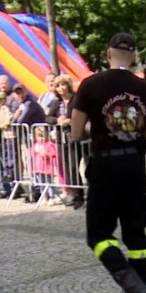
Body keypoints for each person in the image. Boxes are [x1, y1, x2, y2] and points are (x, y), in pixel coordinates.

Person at [70, 31, 146, 293]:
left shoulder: (91, 85)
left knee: (98, 235)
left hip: (105, 165)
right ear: (133, 56)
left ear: (108, 55)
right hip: (134, 163)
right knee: (135, 234)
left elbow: (75, 132)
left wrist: (98, 131)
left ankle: (132, 286)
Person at [46, 74, 85, 208]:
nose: (61, 88)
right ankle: (71, 194)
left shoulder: (76, 100)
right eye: (58, 85)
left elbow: (83, 115)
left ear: (68, 85)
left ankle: (79, 195)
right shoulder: (57, 102)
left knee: (74, 166)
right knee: (66, 168)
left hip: (74, 137)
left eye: (63, 85)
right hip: (60, 138)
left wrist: (70, 120)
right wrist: (57, 120)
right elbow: (48, 117)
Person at [30, 126, 58, 205]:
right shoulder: (36, 145)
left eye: (43, 136)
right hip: (38, 168)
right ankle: (44, 197)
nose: (41, 138)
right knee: (41, 184)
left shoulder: (49, 144)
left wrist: (44, 154)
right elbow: (32, 154)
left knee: (49, 183)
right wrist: (34, 151)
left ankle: (52, 197)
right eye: (39, 136)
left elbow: (52, 154)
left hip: (47, 168)